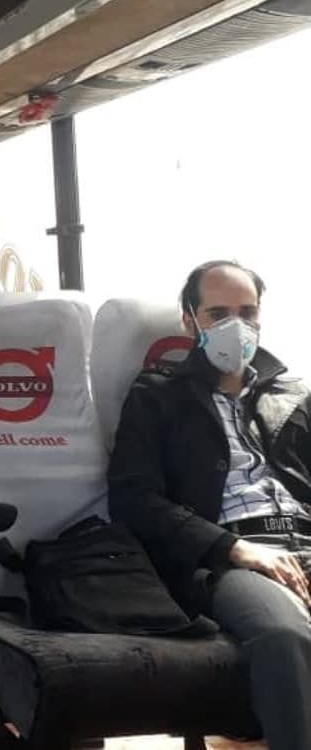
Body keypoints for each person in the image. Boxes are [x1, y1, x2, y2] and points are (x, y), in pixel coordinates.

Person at [109, 261, 311, 750]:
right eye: (218, 314)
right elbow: (133, 500)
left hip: (302, 539)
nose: (235, 326)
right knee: (284, 636)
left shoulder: (294, 396)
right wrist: (233, 548)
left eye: (247, 312)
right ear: (189, 320)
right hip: (230, 556)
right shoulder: (157, 396)